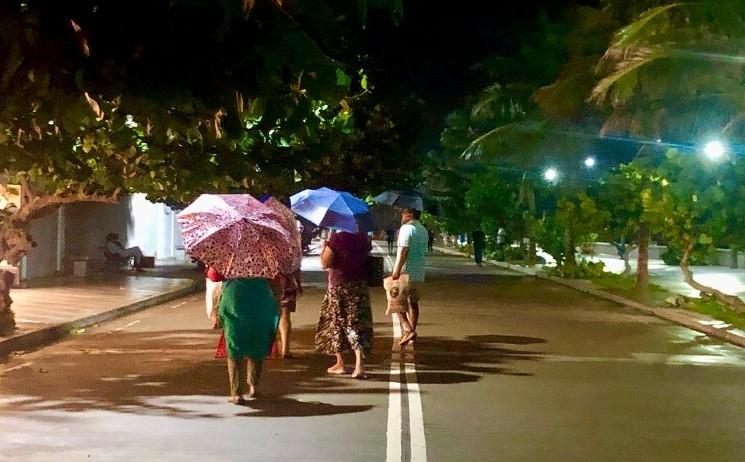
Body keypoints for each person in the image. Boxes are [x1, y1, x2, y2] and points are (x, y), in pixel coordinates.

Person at [208, 267, 281, 404]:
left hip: (234, 298)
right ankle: (253, 387)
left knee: (235, 343)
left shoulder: (228, 254)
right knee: (258, 340)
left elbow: (213, 275)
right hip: (261, 298)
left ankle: (237, 393)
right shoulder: (266, 254)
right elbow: (276, 280)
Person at [315, 230, 373, 379]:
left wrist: (324, 248)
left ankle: (340, 363)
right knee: (356, 323)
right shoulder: (363, 238)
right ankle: (359, 365)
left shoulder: (337, 239)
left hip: (339, 285)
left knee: (337, 322)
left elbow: (324, 263)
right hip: (359, 286)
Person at [391, 208, 428, 346]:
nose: (401, 216)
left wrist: (396, 270)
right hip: (419, 272)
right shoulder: (423, 230)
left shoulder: (406, 228)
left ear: (410, 214)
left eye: (403, 213)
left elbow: (403, 250)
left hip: (406, 271)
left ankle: (407, 329)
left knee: (396, 302)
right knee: (413, 303)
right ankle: (411, 331)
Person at [278, 269, 302, 359]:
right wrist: (298, 284)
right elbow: (296, 268)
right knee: (285, 314)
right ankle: (285, 349)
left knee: (266, 315)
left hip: (268, 283)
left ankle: (266, 347)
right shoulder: (292, 254)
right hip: (287, 283)